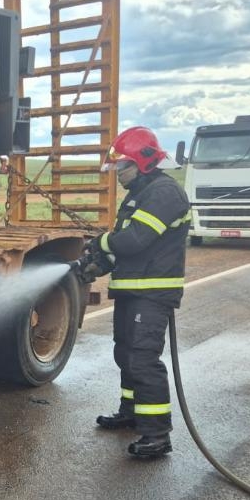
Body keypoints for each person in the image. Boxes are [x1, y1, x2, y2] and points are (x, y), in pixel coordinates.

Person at [88, 126, 191, 458]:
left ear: (144, 161)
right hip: (133, 290)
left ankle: (157, 434)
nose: (118, 174)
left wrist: (99, 242)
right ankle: (131, 412)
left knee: (144, 361)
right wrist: (95, 263)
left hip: (152, 293)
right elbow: (126, 248)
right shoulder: (138, 194)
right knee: (126, 355)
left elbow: (134, 240)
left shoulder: (164, 193)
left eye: (123, 166)